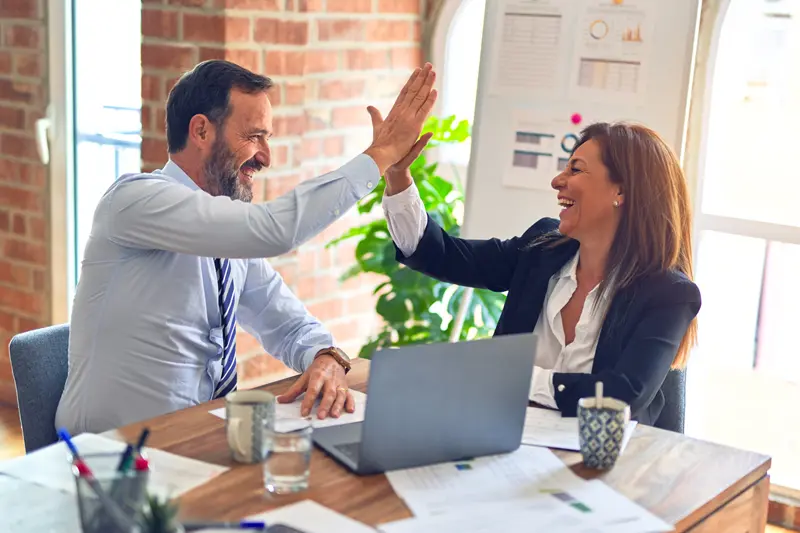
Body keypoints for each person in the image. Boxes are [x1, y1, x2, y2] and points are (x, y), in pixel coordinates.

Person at [55, 59, 438, 435]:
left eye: (266, 138)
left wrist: (326, 357)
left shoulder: (226, 237)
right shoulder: (135, 201)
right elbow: (275, 230)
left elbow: (287, 324)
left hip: (196, 442)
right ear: (202, 131)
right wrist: (381, 154)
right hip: (108, 458)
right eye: (254, 136)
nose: (265, 157)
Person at [380, 121, 701, 425]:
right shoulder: (542, 249)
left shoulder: (669, 294)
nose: (557, 181)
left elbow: (621, 397)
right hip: (503, 441)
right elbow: (442, 255)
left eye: (575, 169)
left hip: (603, 466)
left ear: (621, 192)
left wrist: (515, 377)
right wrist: (398, 176)